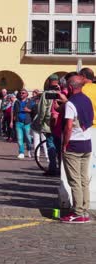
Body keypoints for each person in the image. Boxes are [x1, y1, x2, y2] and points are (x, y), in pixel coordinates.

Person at [60, 75, 94, 224]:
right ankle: (85, 209)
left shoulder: (71, 103)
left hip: (74, 143)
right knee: (83, 179)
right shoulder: (87, 100)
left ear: (71, 87)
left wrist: (64, 144)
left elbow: (68, 126)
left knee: (74, 180)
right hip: (86, 142)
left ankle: (78, 212)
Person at [11, 88, 34, 159]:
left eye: (23, 93)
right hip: (18, 122)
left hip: (27, 122)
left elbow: (35, 111)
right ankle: (21, 152)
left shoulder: (31, 102)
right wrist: (11, 121)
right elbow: (13, 111)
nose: (21, 94)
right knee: (19, 138)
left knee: (28, 138)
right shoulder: (17, 102)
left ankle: (29, 150)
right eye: (21, 93)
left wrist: (29, 110)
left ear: (27, 94)